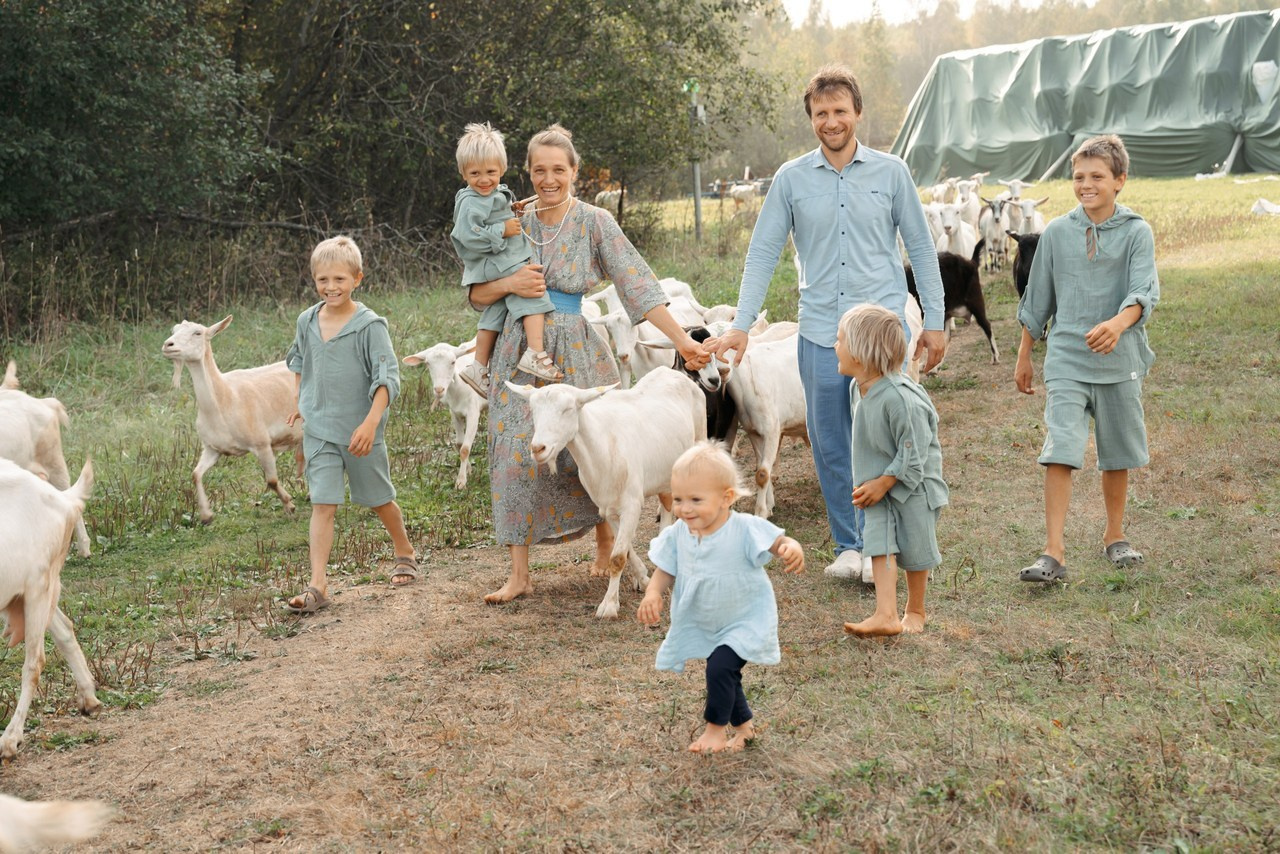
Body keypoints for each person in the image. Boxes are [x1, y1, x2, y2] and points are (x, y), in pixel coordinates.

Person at [710, 63, 947, 583]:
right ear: (811, 119)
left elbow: (922, 250)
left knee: (883, 437)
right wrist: (743, 324)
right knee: (831, 440)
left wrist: (934, 320)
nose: (831, 121)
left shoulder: (892, 172)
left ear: (857, 113)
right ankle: (849, 545)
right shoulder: (792, 180)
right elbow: (763, 252)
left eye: (840, 111)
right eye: (822, 113)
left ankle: (883, 546)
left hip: (883, 332)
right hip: (820, 331)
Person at [467, 124, 710, 605]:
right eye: (539, 170)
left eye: (559, 169)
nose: (549, 178)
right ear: (528, 173)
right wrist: (512, 284)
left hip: (578, 346)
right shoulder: (507, 220)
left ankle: (606, 544)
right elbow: (476, 292)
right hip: (519, 349)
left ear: (575, 172)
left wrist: (683, 341)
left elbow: (636, 283)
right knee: (516, 454)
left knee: (599, 448)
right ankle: (519, 573)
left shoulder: (595, 221)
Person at [1014, 134, 1158, 583]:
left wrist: (1116, 326)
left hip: (1120, 362)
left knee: (1116, 454)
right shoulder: (1057, 232)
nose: (1086, 185)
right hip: (1067, 362)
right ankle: (1052, 552)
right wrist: (1025, 355)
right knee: (1060, 449)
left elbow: (1143, 294)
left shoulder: (1137, 232)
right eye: (1079, 177)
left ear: (1120, 181)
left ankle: (1115, 536)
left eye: (1097, 177)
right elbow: (1038, 299)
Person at [636, 441, 805, 753]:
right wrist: (653, 592)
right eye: (678, 499)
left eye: (696, 499)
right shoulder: (677, 535)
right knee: (723, 670)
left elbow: (777, 541)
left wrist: (790, 547)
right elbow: (665, 569)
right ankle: (745, 730)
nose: (684, 508)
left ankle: (714, 731)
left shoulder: (743, 528)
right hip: (707, 620)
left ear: (726, 498)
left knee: (720, 669)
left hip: (745, 618)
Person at [283, 236, 418, 613]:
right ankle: (318, 586)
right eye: (323, 280)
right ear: (314, 280)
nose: (331, 287)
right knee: (322, 504)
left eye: (339, 279)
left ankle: (404, 551)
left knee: (379, 499)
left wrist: (371, 424)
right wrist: (299, 400)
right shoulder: (306, 321)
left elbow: (388, 379)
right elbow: (298, 361)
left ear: (357, 278)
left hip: (360, 431)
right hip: (319, 431)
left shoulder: (369, 326)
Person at [835, 305, 947, 636]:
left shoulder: (901, 398)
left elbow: (915, 449)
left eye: (840, 340)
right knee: (879, 542)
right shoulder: (859, 388)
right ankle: (885, 614)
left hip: (914, 484)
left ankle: (915, 610)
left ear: (862, 352)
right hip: (877, 483)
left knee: (915, 547)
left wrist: (886, 481)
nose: (834, 345)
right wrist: (875, 482)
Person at [450, 122, 562, 393]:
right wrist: (501, 229)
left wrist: (512, 210)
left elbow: (497, 211)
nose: (484, 179)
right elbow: (466, 234)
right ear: (463, 172)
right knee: (531, 286)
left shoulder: (492, 193)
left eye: (491, 172)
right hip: (495, 261)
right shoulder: (470, 201)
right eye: (475, 173)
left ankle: (478, 365)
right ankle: (535, 352)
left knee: (497, 309)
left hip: (496, 260)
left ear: (501, 168)